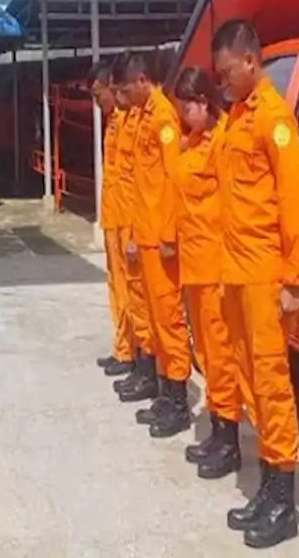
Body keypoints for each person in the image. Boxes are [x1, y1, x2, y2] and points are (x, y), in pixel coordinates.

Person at [212, 20, 299, 548]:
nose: (223, 82)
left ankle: (284, 502)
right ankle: (267, 486)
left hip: (266, 276)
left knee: (272, 386)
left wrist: (292, 278)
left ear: (251, 61)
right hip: (234, 272)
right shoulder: (235, 117)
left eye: (228, 72)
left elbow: (292, 203)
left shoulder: (274, 120)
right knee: (249, 381)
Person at [171, 66, 243, 480]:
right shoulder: (193, 142)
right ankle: (219, 431)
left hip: (215, 266)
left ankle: (229, 439)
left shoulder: (220, 144)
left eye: (188, 107)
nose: (183, 115)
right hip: (194, 267)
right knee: (207, 355)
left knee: (221, 356)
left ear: (204, 103)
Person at [119, 51, 192, 439]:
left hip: (159, 239)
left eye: (128, 87)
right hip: (144, 235)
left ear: (143, 79)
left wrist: (167, 235)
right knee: (155, 318)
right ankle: (166, 393)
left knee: (169, 320)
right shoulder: (146, 114)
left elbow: (171, 180)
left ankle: (178, 401)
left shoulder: (163, 118)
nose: (126, 95)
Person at [109, 54, 157, 403]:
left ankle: (158, 383)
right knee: (136, 301)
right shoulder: (135, 119)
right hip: (129, 221)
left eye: (120, 89)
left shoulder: (160, 120)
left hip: (152, 233)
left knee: (160, 316)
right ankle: (141, 367)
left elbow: (164, 184)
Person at [91, 60, 135, 377]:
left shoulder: (130, 121)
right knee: (116, 288)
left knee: (130, 292)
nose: (97, 102)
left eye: (98, 93)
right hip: (112, 218)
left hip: (127, 221)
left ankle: (132, 354)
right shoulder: (113, 123)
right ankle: (122, 349)